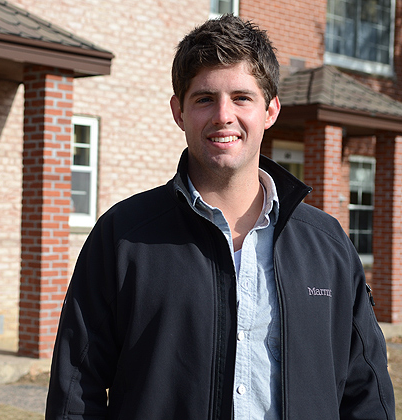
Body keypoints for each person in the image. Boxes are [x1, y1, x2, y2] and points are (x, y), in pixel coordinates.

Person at [45, 14, 395, 420]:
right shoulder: (123, 237)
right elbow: (75, 390)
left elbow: (366, 393)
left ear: (271, 110)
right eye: (205, 98)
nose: (223, 115)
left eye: (242, 98)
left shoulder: (327, 244)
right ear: (178, 111)